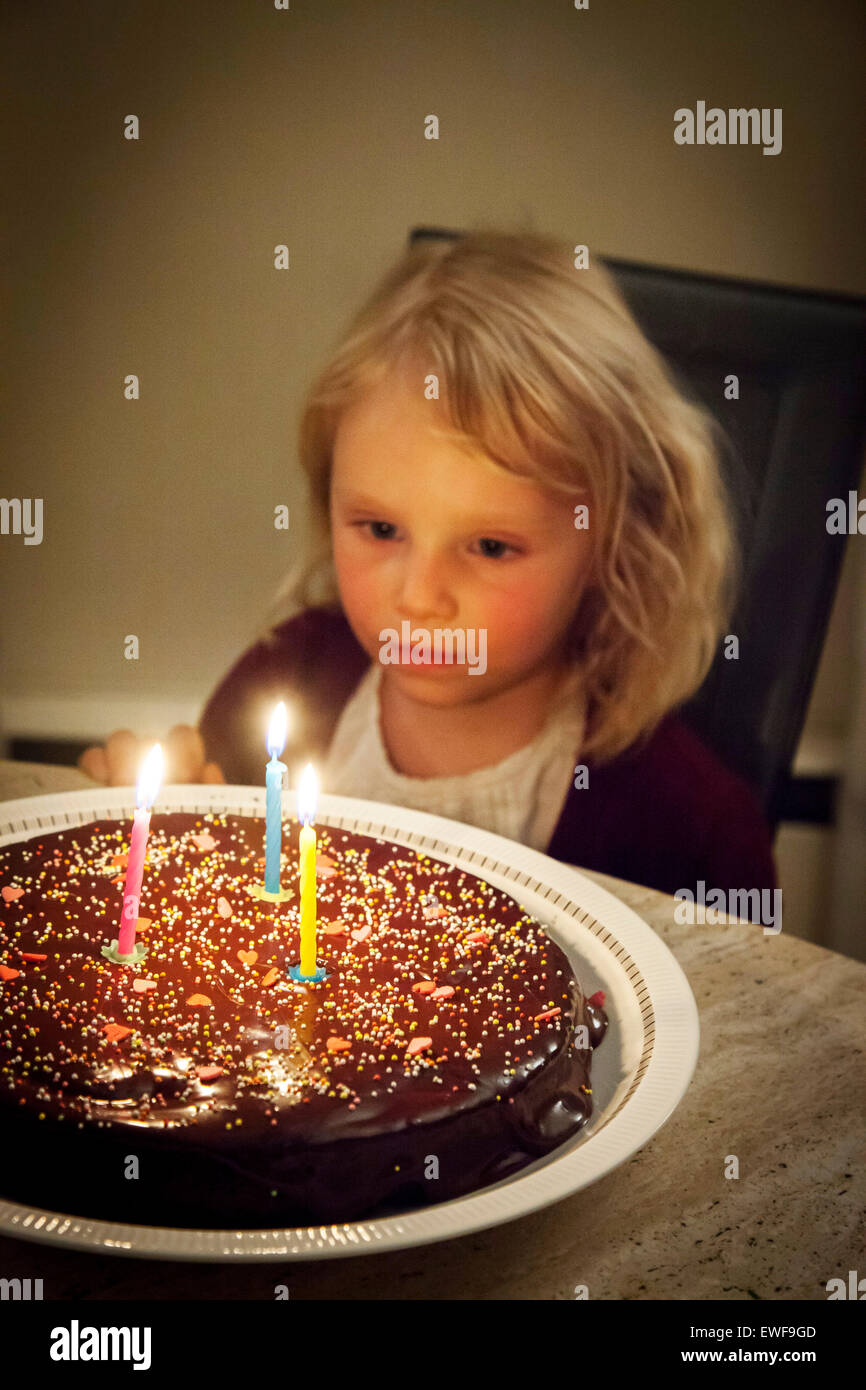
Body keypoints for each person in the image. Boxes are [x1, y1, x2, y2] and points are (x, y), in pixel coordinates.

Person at [80, 228, 777, 904]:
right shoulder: (281, 683)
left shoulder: (690, 831)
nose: (419, 599)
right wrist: (157, 840)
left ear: (612, 541)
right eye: (381, 529)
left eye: (491, 547)